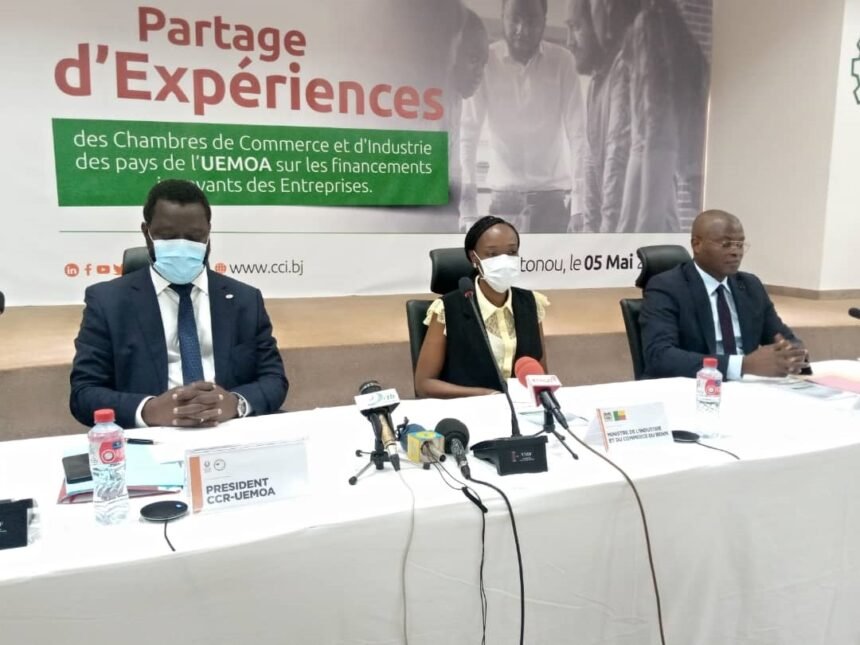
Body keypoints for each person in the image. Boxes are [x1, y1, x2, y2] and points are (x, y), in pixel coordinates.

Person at [70, 179, 288, 429]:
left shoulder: (245, 299)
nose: (182, 245)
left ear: (208, 233)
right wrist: (148, 410)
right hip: (152, 437)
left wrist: (236, 404)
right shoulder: (107, 302)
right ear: (147, 233)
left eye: (194, 237)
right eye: (168, 236)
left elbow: (274, 379)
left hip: (228, 431)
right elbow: (84, 393)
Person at [460, 0, 586, 234]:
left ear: (544, 21)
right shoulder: (487, 61)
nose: (522, 29)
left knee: (555, 260)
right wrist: (467, 206)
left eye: (531, 21)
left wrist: (579, 206)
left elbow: (579, 135)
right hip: (503, 202)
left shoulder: (563, 61)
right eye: (515, 19)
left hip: (552, 202)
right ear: (503, 16)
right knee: (502, 261)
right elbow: (468, 133)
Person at [640, 210, 809, 379]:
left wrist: (792, 353)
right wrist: (742, 365)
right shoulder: (666, 287)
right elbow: (660, 356)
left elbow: (784, 339)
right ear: (697, 244)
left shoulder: (750, 286)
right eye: (726, 244)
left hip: (748, 386)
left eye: (740, 244)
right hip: (694, 386)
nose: (736, 252)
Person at [415, 216, 549, 398]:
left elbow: (540, 375)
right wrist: (485, 395)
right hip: (470, 408)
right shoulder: (447, 309)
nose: (504, 261)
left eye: (511, 252)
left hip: (522, 408)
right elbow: (424, 384)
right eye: (492, 254)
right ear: (474, 258)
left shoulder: (531, 303)